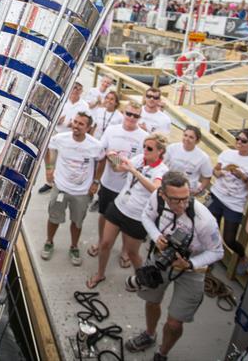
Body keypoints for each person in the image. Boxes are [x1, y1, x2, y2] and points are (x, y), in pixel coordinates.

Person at [124, 172, 224, 361]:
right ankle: (149, 334)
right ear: (162, 194)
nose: (182, 205)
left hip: (192, 268)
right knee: (152, 301)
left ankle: (163, 353)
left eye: (186, 199)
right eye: (175, 200)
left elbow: (218, 252)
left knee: (175, 323)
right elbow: (146, 216)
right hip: (161, 257)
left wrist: (190, 263)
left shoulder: (205, 220)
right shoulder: (156, 198)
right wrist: (156, 237)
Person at [87, 134, 169, 288]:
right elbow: (119, 168)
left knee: (132, 253)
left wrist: (134, 171)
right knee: (105, 243)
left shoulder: (162, 171)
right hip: (119, 207)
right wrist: (113, 157)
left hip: (137, 217)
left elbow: (155, 190)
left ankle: (141, 278)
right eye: (144, 146)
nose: (145, 150)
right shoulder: (139, 159)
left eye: (149, 148)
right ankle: (100, 274)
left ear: (160, 151)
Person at [87, 101, 148, 261]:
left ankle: (125, 250)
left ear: (140, 117)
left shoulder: (144, 137)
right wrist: (96, 179)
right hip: (108, 183)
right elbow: (102, 152)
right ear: (123, 113)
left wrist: (120, 164)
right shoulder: (112, 130)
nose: (131, 118)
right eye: (128, 114)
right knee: (103, 215)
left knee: (126, 220)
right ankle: (101, 243)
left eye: (136, 116)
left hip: (129, 188)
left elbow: (144, 162)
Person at [40, 113, 105, 266]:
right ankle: (49, 242)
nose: (76, 126)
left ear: (88, 128)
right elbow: (47, 148)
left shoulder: (95, 145)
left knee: (77, 222)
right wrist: (49, 168)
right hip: (61, 188)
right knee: (53, 217)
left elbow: (102, 160)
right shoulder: (61, 138)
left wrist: (96, 181)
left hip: (81, 193)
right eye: (75, 122)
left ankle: (74, 247)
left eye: (81, 124)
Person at [206, 128, 248, 274]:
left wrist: (243, 177)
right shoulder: (227, 153)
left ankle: (242, 256)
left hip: (234, 203)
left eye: (243, 141)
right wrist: (218, 173)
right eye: (237, 139)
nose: (239, 142)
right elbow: (216, 169)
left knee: (230, 239)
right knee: (208, 229)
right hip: (216, 196)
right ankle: (209, 258)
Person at [39, 81, 91, 194]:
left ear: (81, 91)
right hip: (57, 134)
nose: (76, 90)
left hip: (72, 137)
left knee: (67, 162)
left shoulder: (84, 106)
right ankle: (49, 182)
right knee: (51, 161)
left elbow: (88, 123)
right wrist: (57, 121)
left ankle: (62, 185)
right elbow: (50, 117)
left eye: (79, 88)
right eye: (74, 87)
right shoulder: (61, 102)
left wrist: (73, 125)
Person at [164, 125, 213, 196]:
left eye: (191, 137)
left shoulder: (203, 157)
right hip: (169, 185)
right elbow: (162, 164)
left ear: (197, 141)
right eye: (185, 135)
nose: (187, 139)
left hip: (187, 191)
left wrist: (199, 189)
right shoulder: (172, 148)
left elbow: (207, 177)